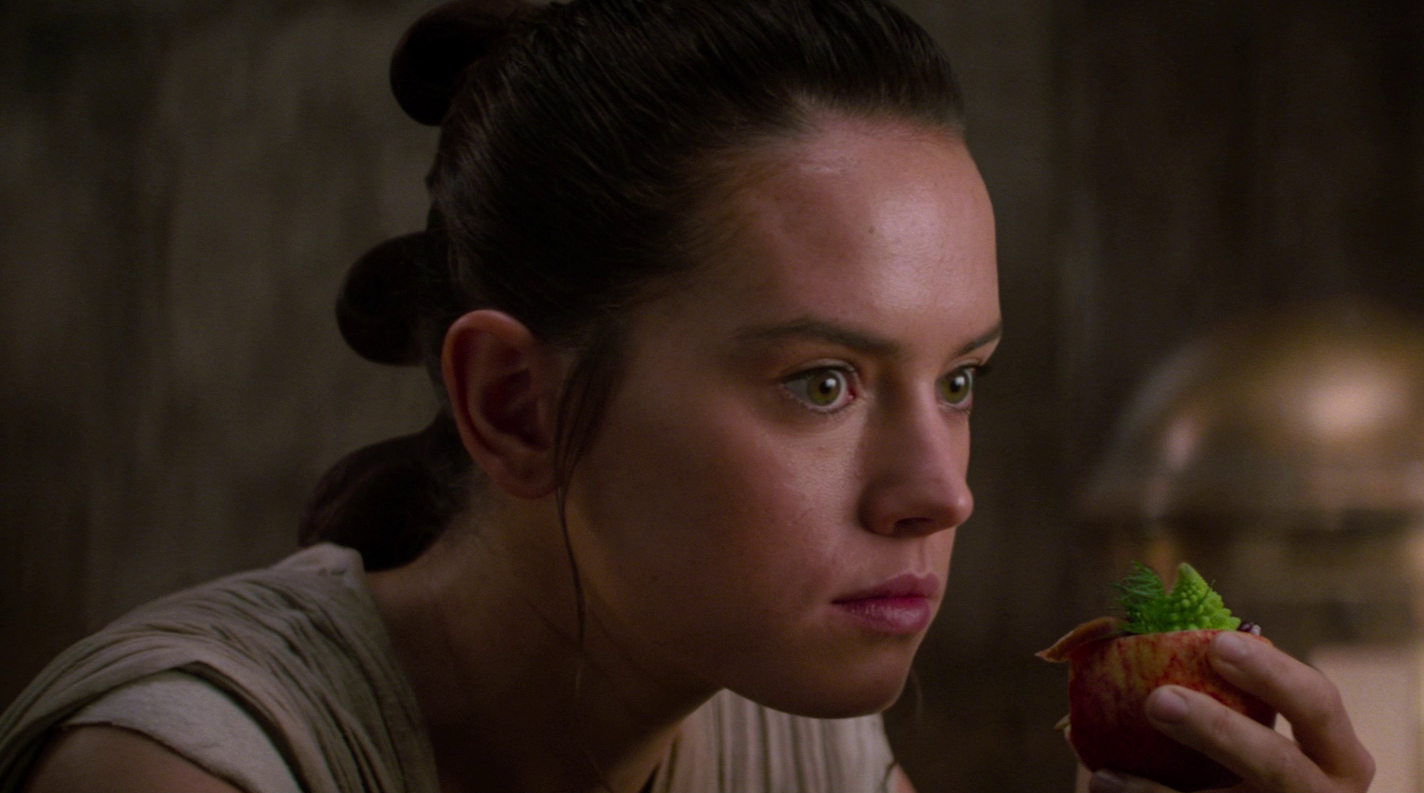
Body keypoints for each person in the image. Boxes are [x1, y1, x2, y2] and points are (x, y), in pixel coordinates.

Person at [0, 0, 1376, 791]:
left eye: (960, 378)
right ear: (517, 408)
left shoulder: (805, 739)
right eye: (823, 381)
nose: (943, 489)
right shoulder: (183, 773)